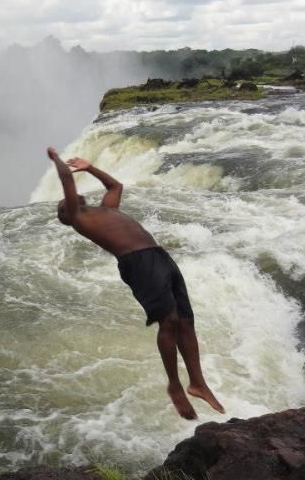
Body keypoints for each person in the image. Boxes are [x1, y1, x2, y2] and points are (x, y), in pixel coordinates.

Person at [46, 146, 224, 420]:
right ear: (68, 215)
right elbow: (67, 181)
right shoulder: (79, 218)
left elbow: (115, 185)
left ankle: (198, 383)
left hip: (159, 256)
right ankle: (174, 385)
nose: (67, 201)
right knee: (169, 322)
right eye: (64, 204)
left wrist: (89, 167)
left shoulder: (106, 210)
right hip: (137, 263)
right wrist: (56, 158)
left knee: (186, 321)